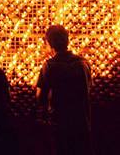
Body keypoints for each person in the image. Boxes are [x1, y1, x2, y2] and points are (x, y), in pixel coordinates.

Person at [36, 25, 93, 155]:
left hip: (59, 123)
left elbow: (40, 97)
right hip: (82, 121)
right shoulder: (83, 64)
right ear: (67, 40)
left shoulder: (49, 66)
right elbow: (89, 88)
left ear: (49, 43)